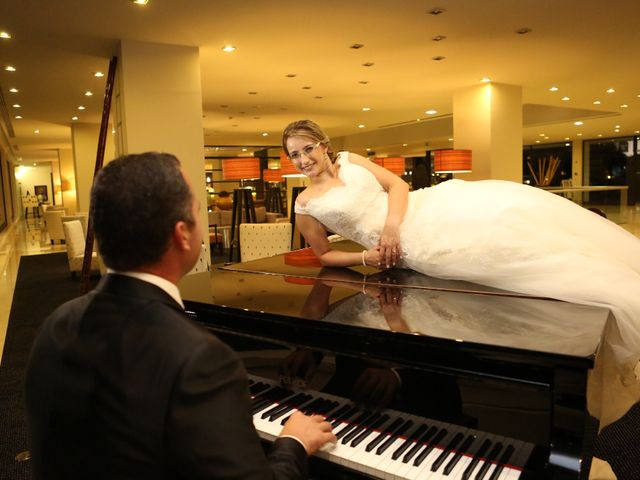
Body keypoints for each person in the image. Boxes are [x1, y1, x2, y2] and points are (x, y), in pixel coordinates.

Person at [24, 152, 336, 480]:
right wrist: (293, 443)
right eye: (197, 212)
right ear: (181, 234)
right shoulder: (200, 358)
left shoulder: (56, 324)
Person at [282, 119, 640, 375]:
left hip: (420, 210)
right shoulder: (305, 203)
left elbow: (398, 186)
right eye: (294, 155)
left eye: (307, 149)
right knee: (503, 251)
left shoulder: (351, 159)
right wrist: (366, 256)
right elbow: (323, 255)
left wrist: (391, 229)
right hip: (413, 246)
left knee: (511, 210)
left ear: (324, 145)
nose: (302, 160)